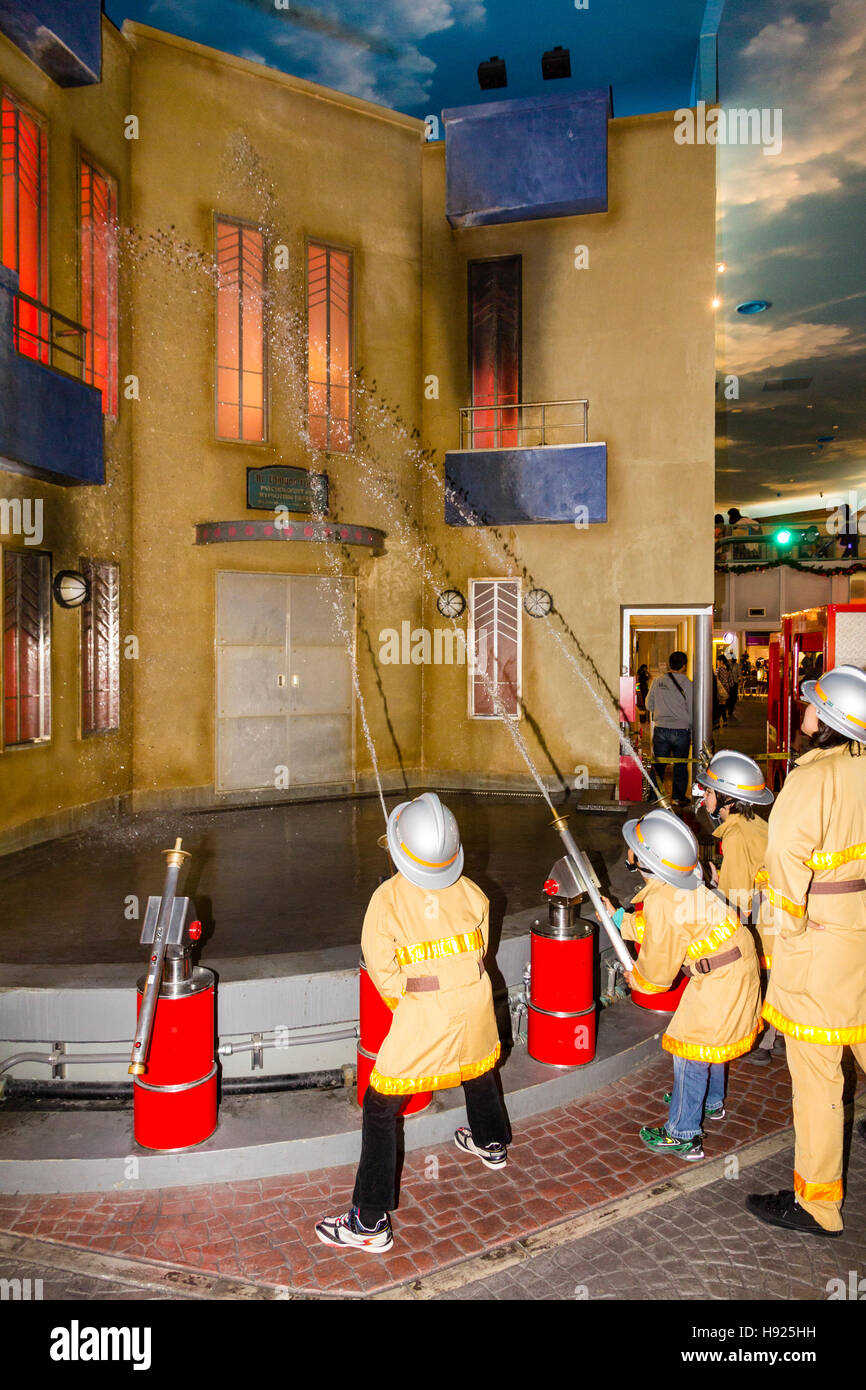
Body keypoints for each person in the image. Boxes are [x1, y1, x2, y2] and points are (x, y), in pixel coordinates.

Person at [315, 792, 509, 1253]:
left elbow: (382, 970)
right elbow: (480, 949)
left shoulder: (386, 899)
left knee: (381, 1105)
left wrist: (411, 1006)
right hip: (477, 999)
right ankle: (492, 1141)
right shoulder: (473, 891)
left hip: (426, 1011)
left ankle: (368, 1221)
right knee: (479, 1064)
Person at [746, 665, 866, 1239]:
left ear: (831, 722)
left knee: (818, 1080)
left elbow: (784, 868)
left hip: (821, 945)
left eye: (812, 705)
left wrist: (785, 936)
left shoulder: (811, 781)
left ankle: (817, 1205)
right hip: (861, 933)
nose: (803, 710)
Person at [602, 809, 762, 1160]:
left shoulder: (661, 899)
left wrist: (638, 981)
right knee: (712, 1041)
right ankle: (711, 1101)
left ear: (646, 860)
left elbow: (657, 972)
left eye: (635, 849)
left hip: (721, 977)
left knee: (690, 1049)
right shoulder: (682, 882)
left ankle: (684, 1134)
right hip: (735, 964)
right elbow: (667, 931)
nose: (629, 853)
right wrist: (617, 917)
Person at [695, 750, 779, 1065]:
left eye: (710, 791)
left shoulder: (736, 836)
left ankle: (762, 1040)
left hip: (764, 926)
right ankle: (777, 1035)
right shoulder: (753, 822)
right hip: (777, 919)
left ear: (728, 799)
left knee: (762, 981)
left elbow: (736, 901)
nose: (704, 795)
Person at [646, 652, 693, 804]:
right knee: (680, 766)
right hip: (681, 731)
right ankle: (678, 798)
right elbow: (692, 709)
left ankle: (655, 797)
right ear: (684, 666)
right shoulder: (688, 684)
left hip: (661, 730)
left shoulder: (657, 681)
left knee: (658, 766)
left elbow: (648, 705)